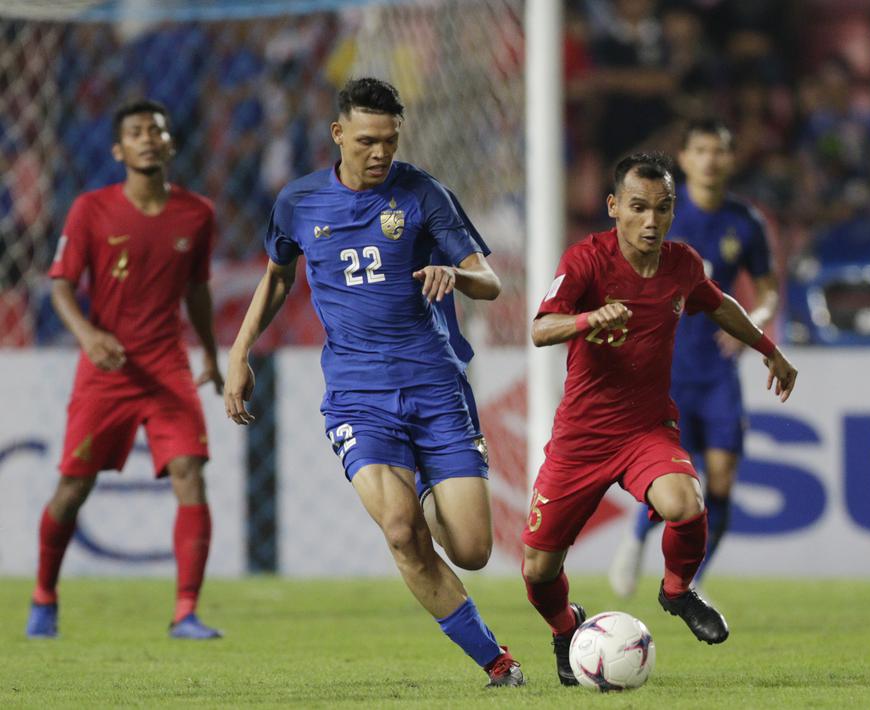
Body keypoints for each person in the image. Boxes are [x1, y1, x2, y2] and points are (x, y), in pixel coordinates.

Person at [222, 78, 522, 688]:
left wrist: (455, 275)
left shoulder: (423, 194)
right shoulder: (299, 202)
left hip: (436, 389)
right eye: (367, 141)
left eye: (389, 140)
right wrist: (240, 350)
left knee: (472, 551)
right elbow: (278, 276)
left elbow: (489, 281)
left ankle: (431, 495)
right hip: (357, 398)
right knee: (401, 532)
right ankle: (498, 662)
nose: (380, 152)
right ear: (339, 134)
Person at [521, 152, 798, 686]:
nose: (651, 220)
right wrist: (587, 319)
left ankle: (676, 591)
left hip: (646, 429)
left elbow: (718, 304)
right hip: (581, 437)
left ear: (673, 210)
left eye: (662, 208)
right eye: (638, 207)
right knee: (537, 570)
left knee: (686, 503)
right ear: (614, 207)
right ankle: (565, 628)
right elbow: (541, 328)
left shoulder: (682, 265)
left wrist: (769, 349)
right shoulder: (586, 260)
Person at [26, 99, 223, 640]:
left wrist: (210, 353)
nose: (148, 138)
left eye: (156, 130)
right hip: (107, 369)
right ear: (118, 149)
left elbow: (198, 289)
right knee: (73, 487)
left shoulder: (197, 213)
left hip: (167, 366)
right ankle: (44, 594)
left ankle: (186, 612)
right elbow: (61, 284)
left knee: (189, 472)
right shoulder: (90, 209)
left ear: (170, 144)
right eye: (136, 132)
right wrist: (88, 336)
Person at [608, 119, 777, 598]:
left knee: (720, 482)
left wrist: (753, 324)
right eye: (700, 150)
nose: (710, 160)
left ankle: (691, 581)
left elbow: (768, 291)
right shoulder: (661, 214)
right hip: (667, 372)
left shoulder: (745, 221)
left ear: (731, 158)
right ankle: (636, 538)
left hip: (718, 373)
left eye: (719, 151)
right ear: (683, 158)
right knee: (672, 478)